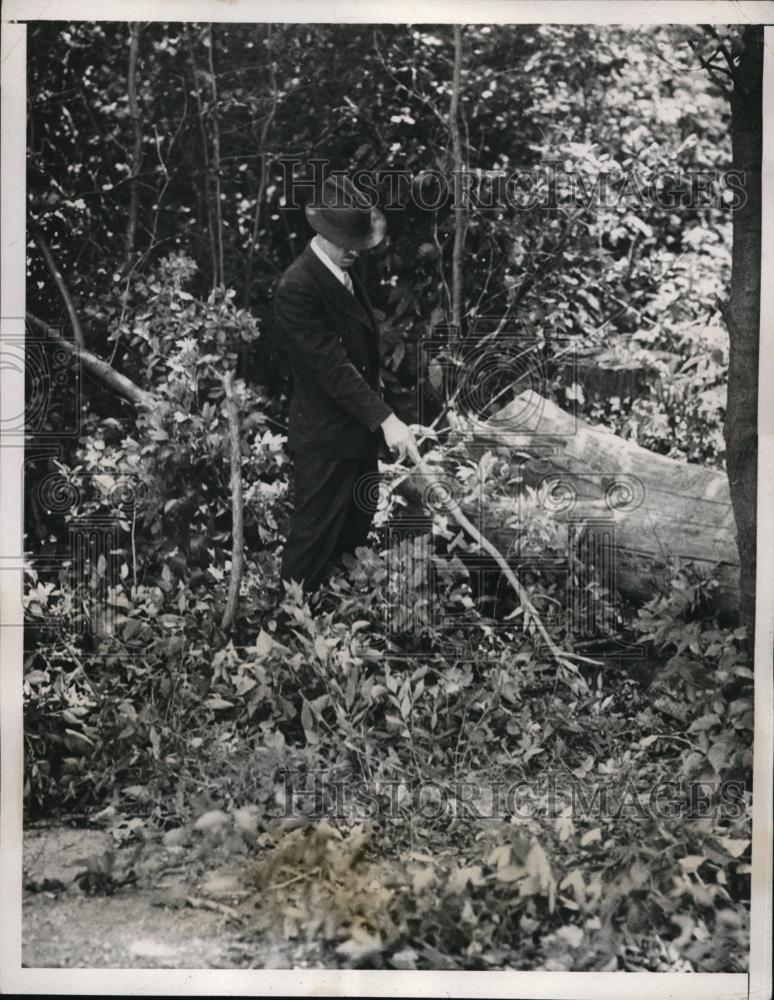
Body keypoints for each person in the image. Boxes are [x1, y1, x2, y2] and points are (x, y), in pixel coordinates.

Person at [274, 174, 416, 593]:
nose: (354, 250)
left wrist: (388, 419)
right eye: (345, 241)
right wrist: (387, 420)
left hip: (355, 434)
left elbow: (362, 358)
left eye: (358, 240)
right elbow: (333, 368)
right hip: (323, 441)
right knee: (310, 545)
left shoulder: (342, 273)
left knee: (354, 533)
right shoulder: (298, 287)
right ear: (322, 232)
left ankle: (335, 623)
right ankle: (291, 629)